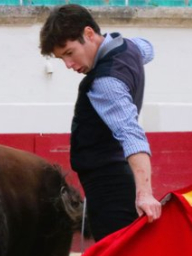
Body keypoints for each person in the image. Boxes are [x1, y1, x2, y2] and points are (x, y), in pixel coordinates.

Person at [40, 4, 161, 242]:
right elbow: (148, 48)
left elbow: (131, 134)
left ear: (88, 34)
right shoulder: (129, 49)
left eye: (69, 52)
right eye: (61, 58)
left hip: (109, 189)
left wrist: (145, 193)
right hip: (117, 177)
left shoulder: (105, 82)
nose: (68, 65)